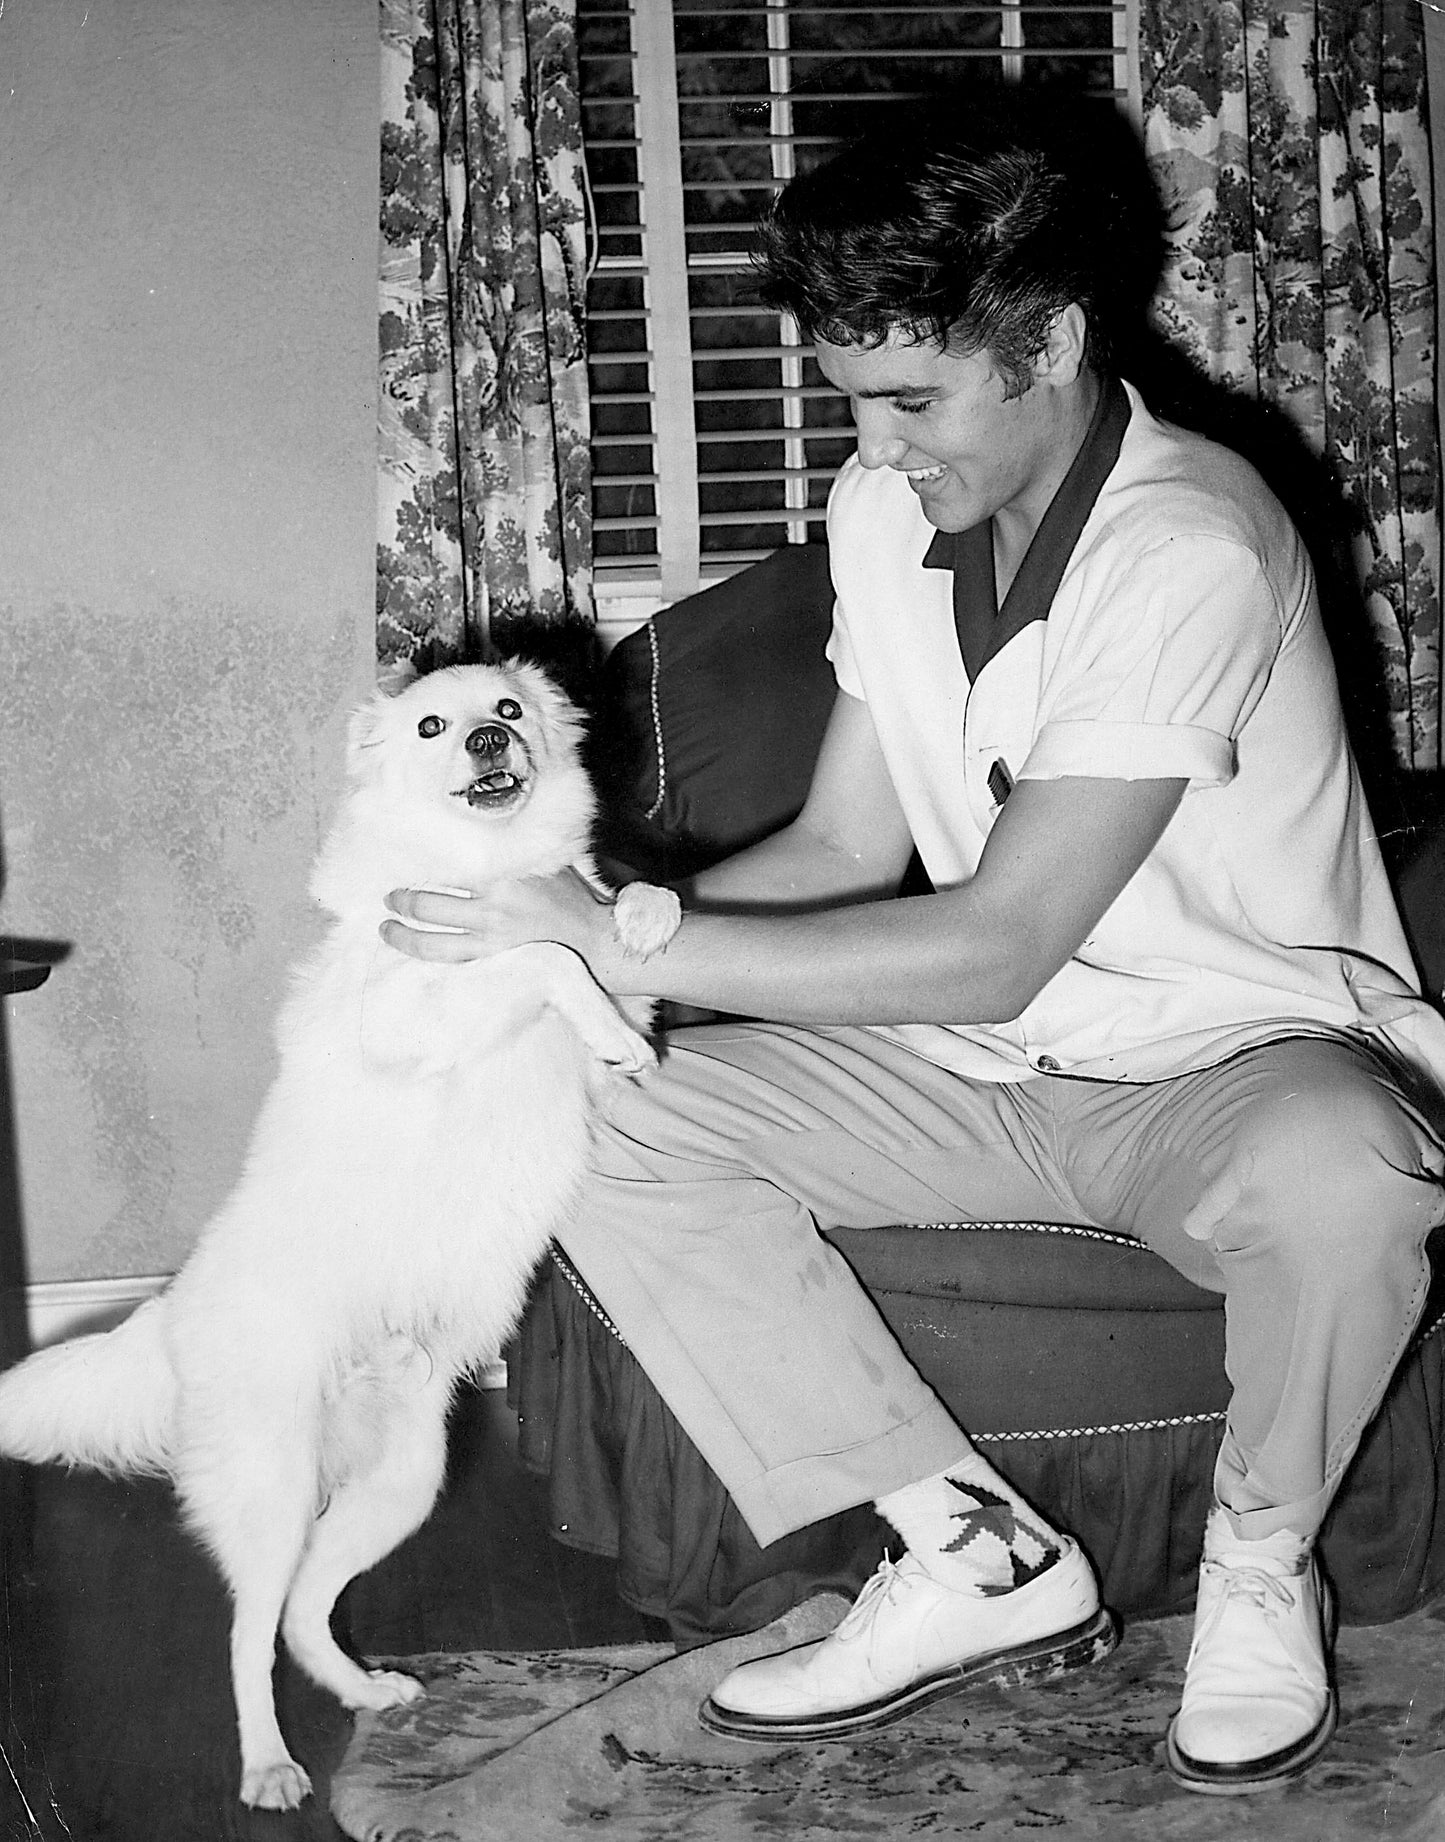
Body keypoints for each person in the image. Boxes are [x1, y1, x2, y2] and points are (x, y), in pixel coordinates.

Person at [380, 94, 1445, 1796]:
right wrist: (582, 940)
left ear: (1053, 343)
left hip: (1230, 1073)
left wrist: (617, 944)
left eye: (909, 399)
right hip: (985, 1074)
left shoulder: (1185, 543)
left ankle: (1261, 1559)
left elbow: (999, 940)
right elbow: (839, 848)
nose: (874, 446)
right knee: (586, 1111)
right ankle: (973, 1556)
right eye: (851, 403)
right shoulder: (883, 517)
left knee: (1354, 1171)